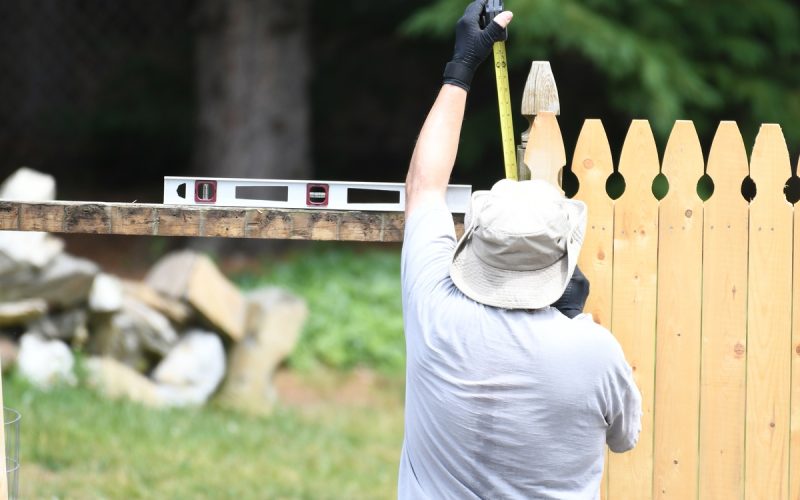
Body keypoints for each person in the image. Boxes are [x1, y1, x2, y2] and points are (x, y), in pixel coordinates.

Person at [398, 1, 642, 498]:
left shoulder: (434, 314)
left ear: (475, 248)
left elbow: (424, 187)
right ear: (560, 266)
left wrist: (461, 68)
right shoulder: (594, 353)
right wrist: (574, 328)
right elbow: (625, 438)